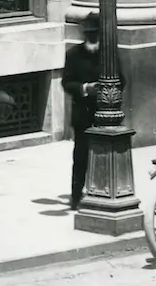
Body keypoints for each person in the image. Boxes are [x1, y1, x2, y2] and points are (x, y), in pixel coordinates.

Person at [61, 11, 103, 208]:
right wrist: (85, 88)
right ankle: (76, 196)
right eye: (89, 34)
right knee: (80, 157)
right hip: (82, 115)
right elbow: (66, 83)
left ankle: (101, 192)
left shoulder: (108, 55)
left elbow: (122, 80)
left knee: (104, 157)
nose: (92, 38)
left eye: (95, 34)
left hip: (104, 114)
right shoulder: (73, 55)